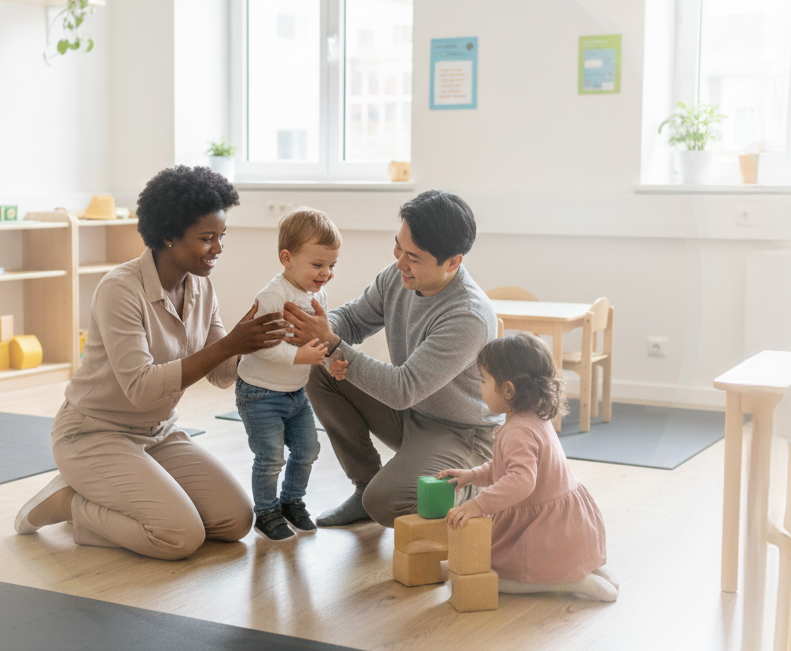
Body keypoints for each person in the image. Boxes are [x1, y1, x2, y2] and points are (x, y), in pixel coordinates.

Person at [11, 165, 290, 560]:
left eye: (222, 236)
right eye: (207, 238)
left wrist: (262, 341)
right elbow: (141, 388)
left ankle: (123, 495)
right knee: (180, 537)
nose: (219, 248)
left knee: (236, 521)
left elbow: (222, 374)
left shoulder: (201, 286)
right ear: (168, 236)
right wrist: (230, 344)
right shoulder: (119, 290)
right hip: (93, 434)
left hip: (158, 433)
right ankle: (70, 504)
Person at [281, 190, 499, 528]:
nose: (400, 263)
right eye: (398, 246)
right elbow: (350, 320)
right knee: (318, 366)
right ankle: (365, 483)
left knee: (385, 503)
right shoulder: (397, 277)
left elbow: (403, 388)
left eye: (414, 256)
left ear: (452, 262)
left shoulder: (467, 316)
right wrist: (312, 329)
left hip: (459, 433)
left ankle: (483, 489)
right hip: (410, 415)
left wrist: (330, 340)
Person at [437, 333, 616, 601]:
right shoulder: (533, 418)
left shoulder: (518, 431)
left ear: (508, 389)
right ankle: (586, 569)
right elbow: (506, 469)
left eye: (484, 380)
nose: (480, 386)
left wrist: (478, 505)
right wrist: (472, 475)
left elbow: (520, 481)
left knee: (482, 573)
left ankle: (571, 583)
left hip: (541, 532)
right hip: (569, 526)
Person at [234, 209, 346, 540]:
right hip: (260, 393)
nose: (326, 273)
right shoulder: (274, 296)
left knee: (308, 450)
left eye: (331, 265)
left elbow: (315, 342)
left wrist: (329, 361)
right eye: (317, 265)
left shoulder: (317, 295)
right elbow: (260, 345)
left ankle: (291, 501)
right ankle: (266, 511)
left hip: (296, 393)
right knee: (270, 458)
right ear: (287, 258)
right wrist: (302, 355)